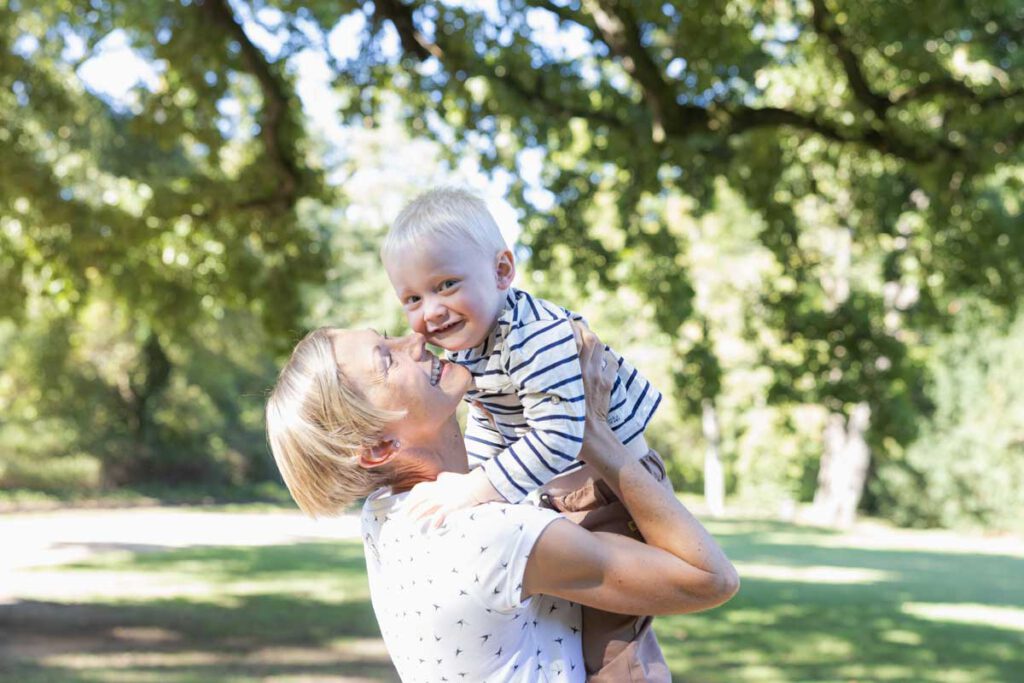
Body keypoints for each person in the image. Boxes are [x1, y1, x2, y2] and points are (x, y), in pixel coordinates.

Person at [266, 325, 739, 682]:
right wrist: (592, 434)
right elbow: (710, 579)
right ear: (377, 448)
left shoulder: (385, 515)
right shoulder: (486, 538)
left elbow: (491, 459)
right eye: (387, 359)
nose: (415, 339)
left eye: (388, 336)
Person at [379, 186, 669, 671]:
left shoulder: (533, 336)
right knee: (565, 628)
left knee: (611, 650)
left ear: (502, 271)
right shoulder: (471, 345)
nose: (430, 310)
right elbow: (491, 422)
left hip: (616, 491)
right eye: (412, 298)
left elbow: (559, 435)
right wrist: (478, 485)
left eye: (446, 284)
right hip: (569, 492)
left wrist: (475, 488)